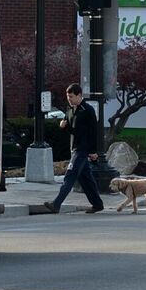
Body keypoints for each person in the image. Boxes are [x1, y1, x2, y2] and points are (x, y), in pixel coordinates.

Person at [46, 83, 106, 214]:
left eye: (71, 96)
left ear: (79, 95)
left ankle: (56, 204)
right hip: (74, 147)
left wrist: (93, 151)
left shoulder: (88, 110)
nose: (69, 99)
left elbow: (93, 132)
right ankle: (97, 204)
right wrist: (63, 126)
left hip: (82, 149)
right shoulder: (70, 110)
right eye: (68, 96)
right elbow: (72, 130)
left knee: (70, 175)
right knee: (86, 179)